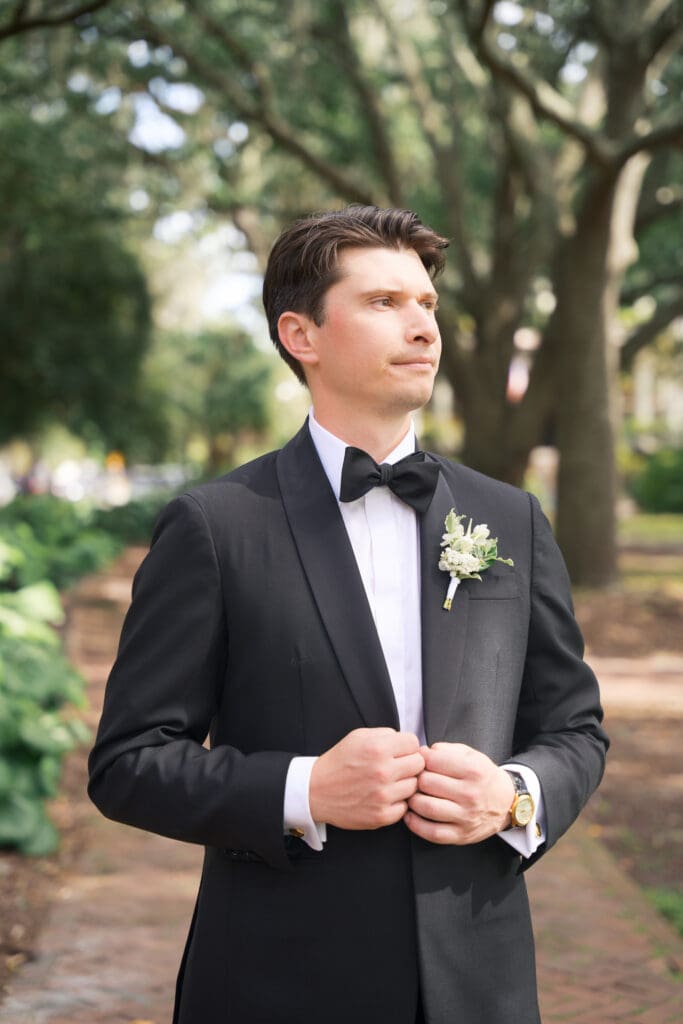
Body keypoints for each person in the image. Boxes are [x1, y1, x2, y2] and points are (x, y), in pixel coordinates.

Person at [88, 205, 608, 1024]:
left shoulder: (509, 520)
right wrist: (304, 789)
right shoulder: (216, 525)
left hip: (480, 978)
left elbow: (575, 730)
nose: (421, 327)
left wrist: (513, 796)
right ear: (302, 335)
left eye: (426, 305)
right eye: (382, 303)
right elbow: (128, 763)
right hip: (277, 979)